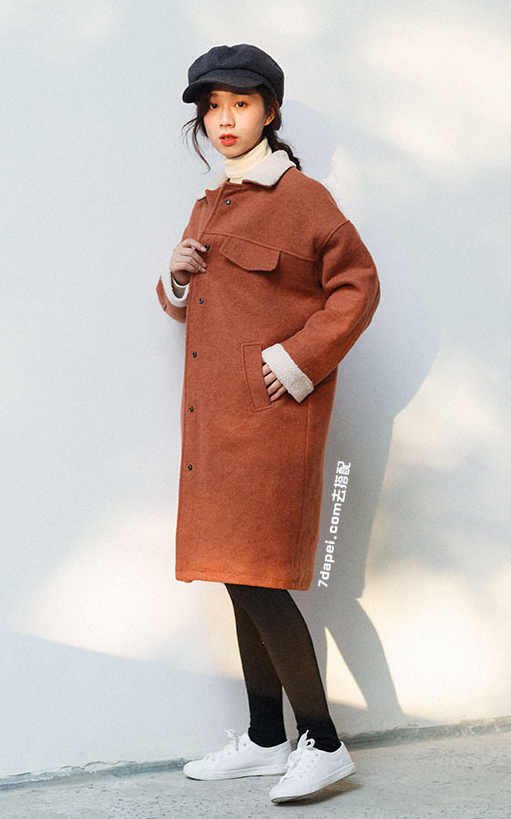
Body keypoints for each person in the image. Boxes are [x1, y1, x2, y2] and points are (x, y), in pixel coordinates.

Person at [155, 43, 380, 804]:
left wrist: (297, 358)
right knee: (236, 575)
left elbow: (358, 286)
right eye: (212, 107)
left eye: (240, 104)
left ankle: (323, 741)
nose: (224, 120)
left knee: (259, 582)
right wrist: (175, 279)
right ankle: (262, 738)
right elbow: (209, 306)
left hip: (270, 424)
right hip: (213, 423)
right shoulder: (211, 201)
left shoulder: (302, 198)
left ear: (270, 111)